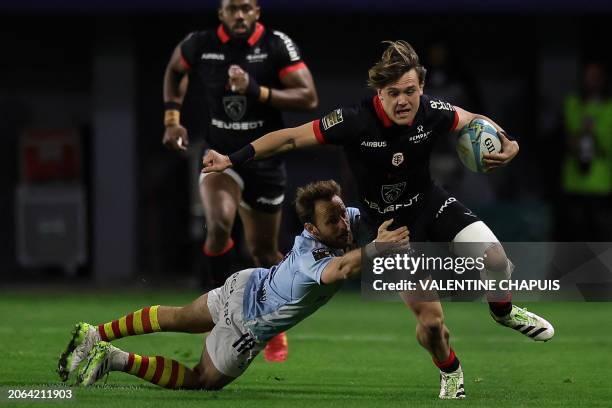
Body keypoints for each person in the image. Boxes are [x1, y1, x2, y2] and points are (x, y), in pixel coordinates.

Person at [203, 40, 555, 399]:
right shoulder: (354, 120)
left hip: (429, 203)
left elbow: (472, 119)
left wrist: (508, 142)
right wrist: (233, 159)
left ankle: (504, 312)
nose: (403, 101)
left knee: (495, 258)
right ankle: (450, 369)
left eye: (410, 91)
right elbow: (291, 139)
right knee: (433, 325)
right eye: (393, 93)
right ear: (379, 93)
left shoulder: (432, 110)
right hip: (388, 228)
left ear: (421, 88)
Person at [57, 180, 409, 391]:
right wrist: (377, 247)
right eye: (333, 221)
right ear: (312, 230)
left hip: (244, 283)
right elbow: (343, 270)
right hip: (248, 322)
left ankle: (95, 334)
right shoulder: (308, 259)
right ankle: (115, 360)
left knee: (177, 317)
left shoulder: (338, 219)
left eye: (341, 215)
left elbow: (367, 216)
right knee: (201, 380)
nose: (343, 224)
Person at [162, 0, 318, 361]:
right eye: (233, 8)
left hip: (264, 158)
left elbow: (308, 96)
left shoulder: (277, 44)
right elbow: (174, 70)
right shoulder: (201, 44)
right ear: (221, 13)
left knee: (264, 251)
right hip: (220, 157)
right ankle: (220, 311)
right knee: (218, 223)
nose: (240, 16)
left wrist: (256, 90)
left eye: (246, 8)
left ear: (257, 12)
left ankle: (273, 325)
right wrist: (172, 119)